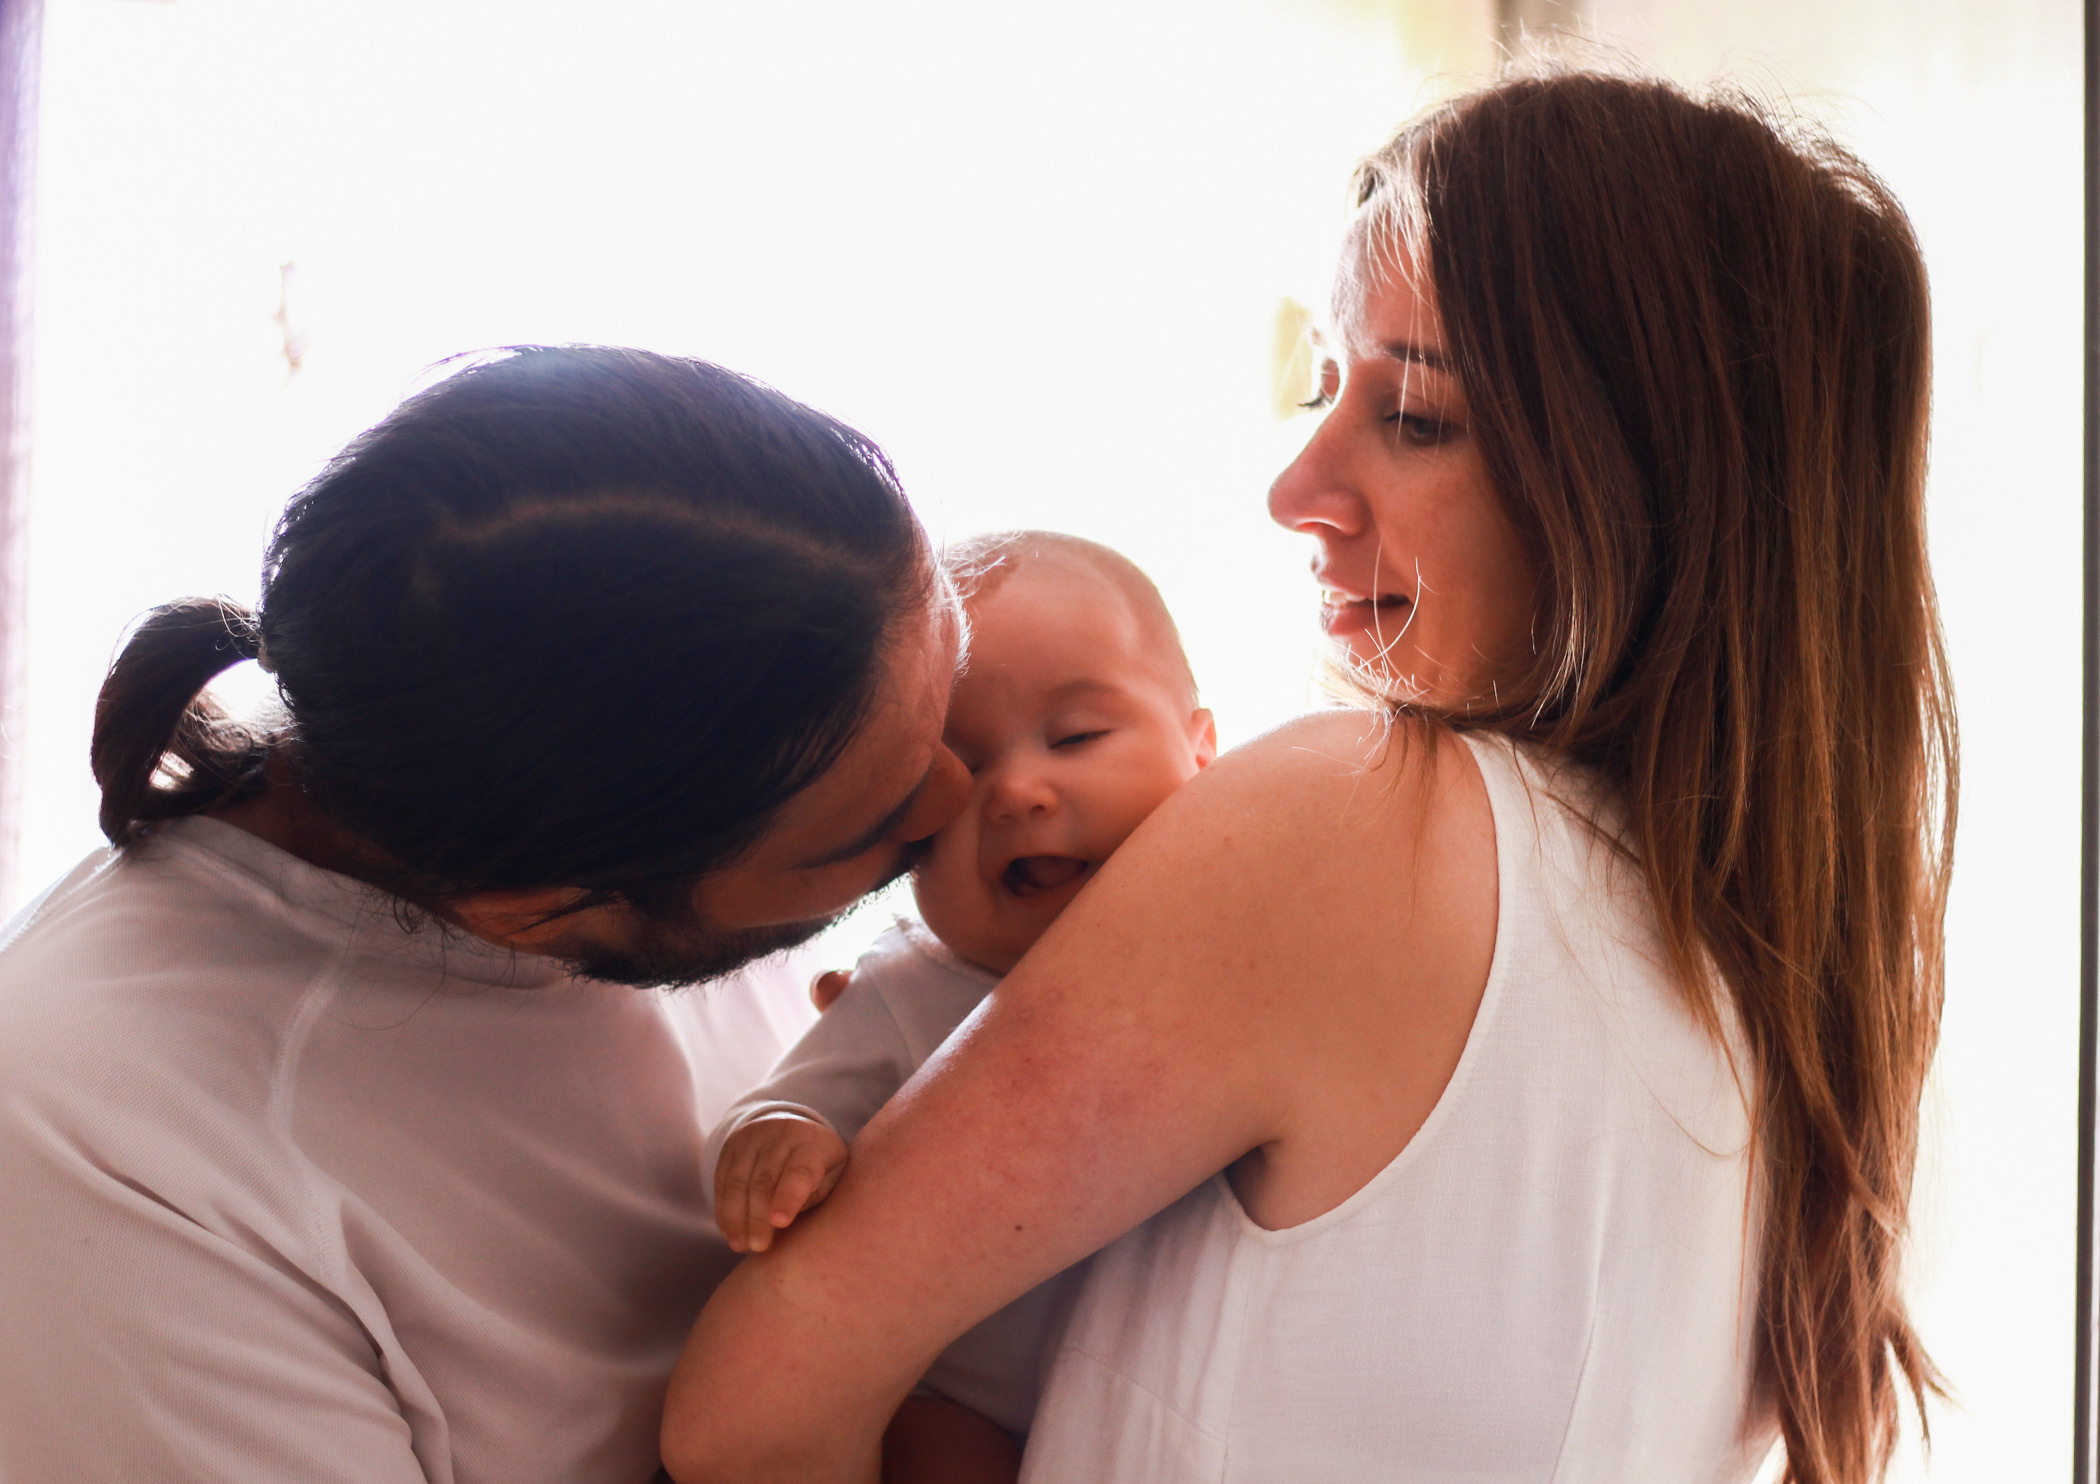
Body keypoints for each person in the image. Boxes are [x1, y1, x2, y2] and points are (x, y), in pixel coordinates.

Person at [661, 71, 1952, 1484]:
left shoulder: (1364, 823)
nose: (1295, 487)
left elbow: (751, 1417)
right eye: (1326, 385)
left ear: (1642, 472)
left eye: (1415, 417)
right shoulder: (1790, 1003)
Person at [0, 346, 973, 1483]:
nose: (966, 796)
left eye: (964, 687)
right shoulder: (104, 1156)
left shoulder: (668, 752)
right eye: (874, 824)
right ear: (529, 909)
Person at [705, 530, 1216, 1477]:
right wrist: (780, 1136)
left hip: (1175, 1387)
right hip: (967, 1400)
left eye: (1077, 738)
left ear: (1204, 751)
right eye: (960, 772)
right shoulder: (910, 991)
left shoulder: (1245, 946)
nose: (1018, 791)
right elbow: (789, 1104)